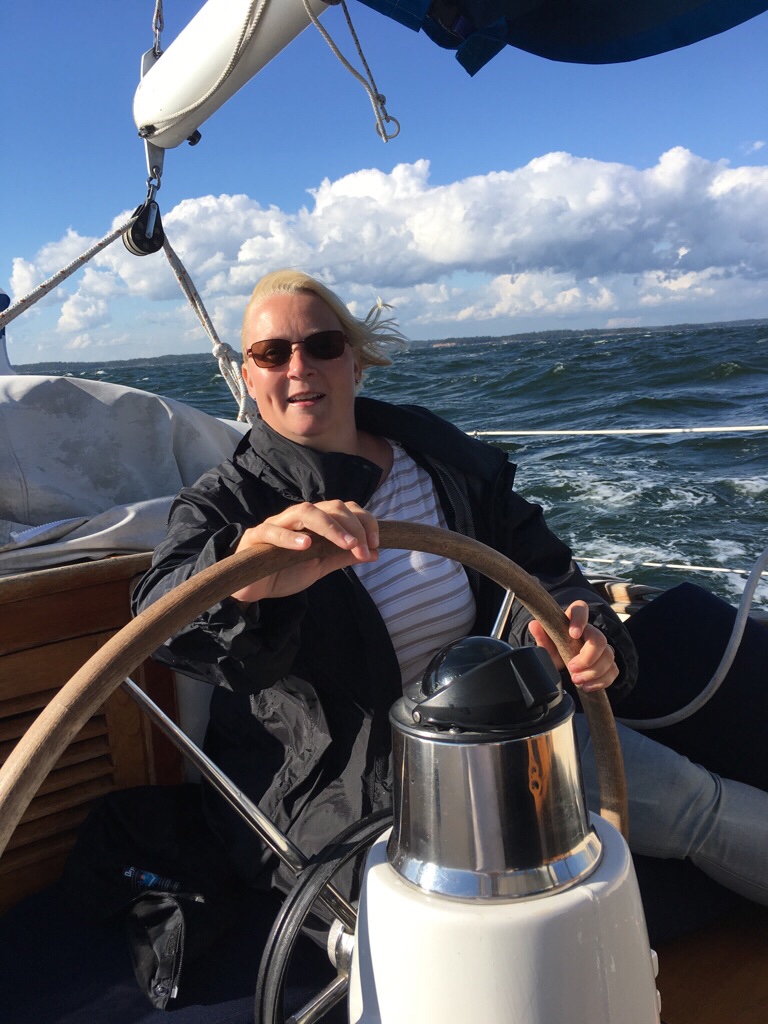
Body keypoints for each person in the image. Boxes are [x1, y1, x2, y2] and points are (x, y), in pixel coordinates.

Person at [132, 269, 768, 917]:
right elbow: (159, 617)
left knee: (697, 805)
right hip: (345, 788)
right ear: (248, 376)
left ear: (354, 361)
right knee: (472, 927)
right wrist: (244, 575)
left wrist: (583, 636)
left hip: (507, 732)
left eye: (322, 345)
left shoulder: (441, 460)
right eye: (272, 353)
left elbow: (545, 569)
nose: (299, 367)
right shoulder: (230, 504)